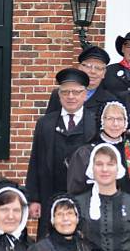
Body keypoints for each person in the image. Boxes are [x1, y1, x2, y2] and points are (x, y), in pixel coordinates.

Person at [26, 68, 95, 238]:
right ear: (59, 95)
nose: (71, 96)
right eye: (65, 92)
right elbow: (35, 161)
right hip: (50, 194)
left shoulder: (95, 122)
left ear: (85, 94)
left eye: (76, 92)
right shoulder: (45, 123)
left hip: (85, 195)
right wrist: (34, 199)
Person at [66, 101, 130, 196]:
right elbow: (75, 190)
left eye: (120, 119)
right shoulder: (86, 153)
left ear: (125, 123)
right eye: (110, 119)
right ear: (102, 121)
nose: (115, 124)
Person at [45, 45, 117, 116]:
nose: (93, 71)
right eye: (88, 66)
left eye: (98, 68)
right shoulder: (59, 94)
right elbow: (48, 123)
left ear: (104, 73)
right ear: (79, 68)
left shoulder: (110, 100)